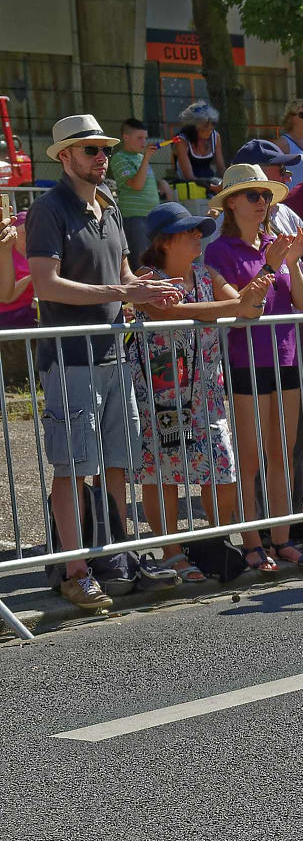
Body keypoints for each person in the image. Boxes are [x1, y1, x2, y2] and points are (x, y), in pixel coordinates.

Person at [25, 114, 186, 612]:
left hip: (115, 353)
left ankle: (118, 557)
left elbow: (121, 272)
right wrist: (123, 290)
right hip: (72, 358)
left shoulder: (110, 204)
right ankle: (76, 570)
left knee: (117, 462)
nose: (101, 158)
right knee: (73, 467)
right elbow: (45, 284)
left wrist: (146, 287)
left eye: (103, 149)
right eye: (91, 150)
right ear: (66, 156)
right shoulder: (49, 210)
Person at [130, 202, 276, 580]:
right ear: (165, 241)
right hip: (159, 391)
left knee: (221, 468)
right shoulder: (147, 275)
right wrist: (237, 304)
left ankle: (210, 542)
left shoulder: (205, 274)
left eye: (199, 230)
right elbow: (169, 314)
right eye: (189, 231)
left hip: (206, 390)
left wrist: (268, 272)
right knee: (163, 474)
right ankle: (172, 552)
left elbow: (249, 309)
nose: (198, 236)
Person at [204, 165, 303, 573]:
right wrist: (272, 267)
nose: (262, 203)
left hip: (286, 357)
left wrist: (296, 261)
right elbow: (243, 310)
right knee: (249, 458)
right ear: (231, 202)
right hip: (245, 361)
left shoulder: (276, 243)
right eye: (253, 195)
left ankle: (281, 539)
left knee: (282, 455)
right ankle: (252, 542)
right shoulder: (219, 251)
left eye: (266, 196)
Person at [107, 118, 162, 268]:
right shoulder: (119, 158)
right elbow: (136, 185)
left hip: (152, 216)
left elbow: (144, 183)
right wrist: (146, 159)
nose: (143, 142)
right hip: (134, 217)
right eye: (139, 138)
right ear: (126, 137)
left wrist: (162, 185)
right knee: (141, 262)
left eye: (145, 138)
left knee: (155, 260)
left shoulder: (140, 157)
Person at [172, 101, 226, 198]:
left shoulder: (216, 136)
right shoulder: (181, 141)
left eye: (212, 124)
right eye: (205, 125)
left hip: (211, 180)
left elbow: (221, 168)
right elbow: (189, 176)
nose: (209, 129)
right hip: (189, 183)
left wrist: (229, 181)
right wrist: (213, 187)